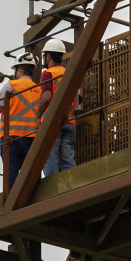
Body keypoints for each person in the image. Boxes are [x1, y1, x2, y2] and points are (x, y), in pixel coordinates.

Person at [0, 52, 41, 189]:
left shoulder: (11, 86)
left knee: (11, 172)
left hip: (11, 138)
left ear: (20, 71)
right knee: (30, 174)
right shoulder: (38, 89)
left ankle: (11, 199)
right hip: (32, 138)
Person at [37, 38, 78, 177]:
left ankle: (51, 186)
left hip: (53, 123)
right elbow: (79, 101)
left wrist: (38, 115)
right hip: (70, 122)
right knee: (68, 158)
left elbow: (47, 97)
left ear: (48, 56)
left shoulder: (47, 73)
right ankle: (72, 183)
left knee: (50, 157)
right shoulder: (70, 73)